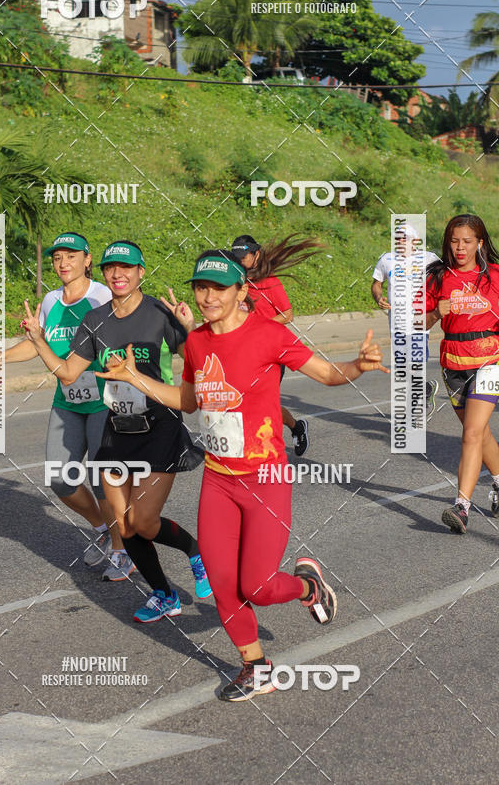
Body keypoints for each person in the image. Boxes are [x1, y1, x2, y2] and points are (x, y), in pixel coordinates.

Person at [97, 249, 388, 701]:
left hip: (265, 478)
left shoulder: (270, 335)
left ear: (240, 291)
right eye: (200, 286)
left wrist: (356, 366)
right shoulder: (195, 343)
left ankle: (308, 586)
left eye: (217, 287)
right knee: (222, 583)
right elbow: (189, 401)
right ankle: (256, 667)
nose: (207, 296)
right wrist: (135, 378)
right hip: (218, 480)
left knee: (258, 585)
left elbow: (327, 374)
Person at [20, 239, 211, 621]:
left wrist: (191, 329)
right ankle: (164, 593)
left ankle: (195, 551)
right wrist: (40, 342)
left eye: (127, 267)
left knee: (143, 521)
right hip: (116, 429)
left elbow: (201, 364)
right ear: (104, 273)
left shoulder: (160, 312)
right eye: (111, 267)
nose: (118, 273)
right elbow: (70, 372)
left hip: (159, 427)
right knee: (123, 525)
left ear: (141, 272)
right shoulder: (95, 320)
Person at [5, 232, 133, 580]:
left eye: (71, 256)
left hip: (104, 400)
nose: (63, 263)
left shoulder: (103, 295)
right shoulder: (49, 300)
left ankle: (123, 551)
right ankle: (103, 530)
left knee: (101, 478)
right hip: (67, 401)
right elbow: (37, 344)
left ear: (88, 260)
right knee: (60, 478)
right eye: (57, 257)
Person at [426, 214, 499, 532]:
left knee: (470, 433)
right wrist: (433, 312)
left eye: (467, 241)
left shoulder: (494, 276)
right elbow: (417, 325)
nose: (460, 247)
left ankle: (462, 507)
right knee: (479, 434)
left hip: (489, 362)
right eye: (455, 241)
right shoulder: (437, 277)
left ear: (480, 243)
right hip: (452, 364)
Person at [231, 234, 318, 457]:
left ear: (256, 255)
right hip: (242, 352)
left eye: (244, 256)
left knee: (262, 403)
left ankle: (285, 433)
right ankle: (294, 427)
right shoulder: (235, 282)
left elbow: (287, 315)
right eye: (236, 256)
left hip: (270, 352)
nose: (239, 260)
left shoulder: (270, 282)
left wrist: (258, 326)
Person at [372, 224, 440, 415]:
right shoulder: (387, 259)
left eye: (405, 237)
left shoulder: (429, 259)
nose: (400, 240)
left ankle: (415, 408)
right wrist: (379, 298)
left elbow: (446, 277)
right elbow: (377, 284)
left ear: (415, 241)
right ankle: (425, 389)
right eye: (398, 237)